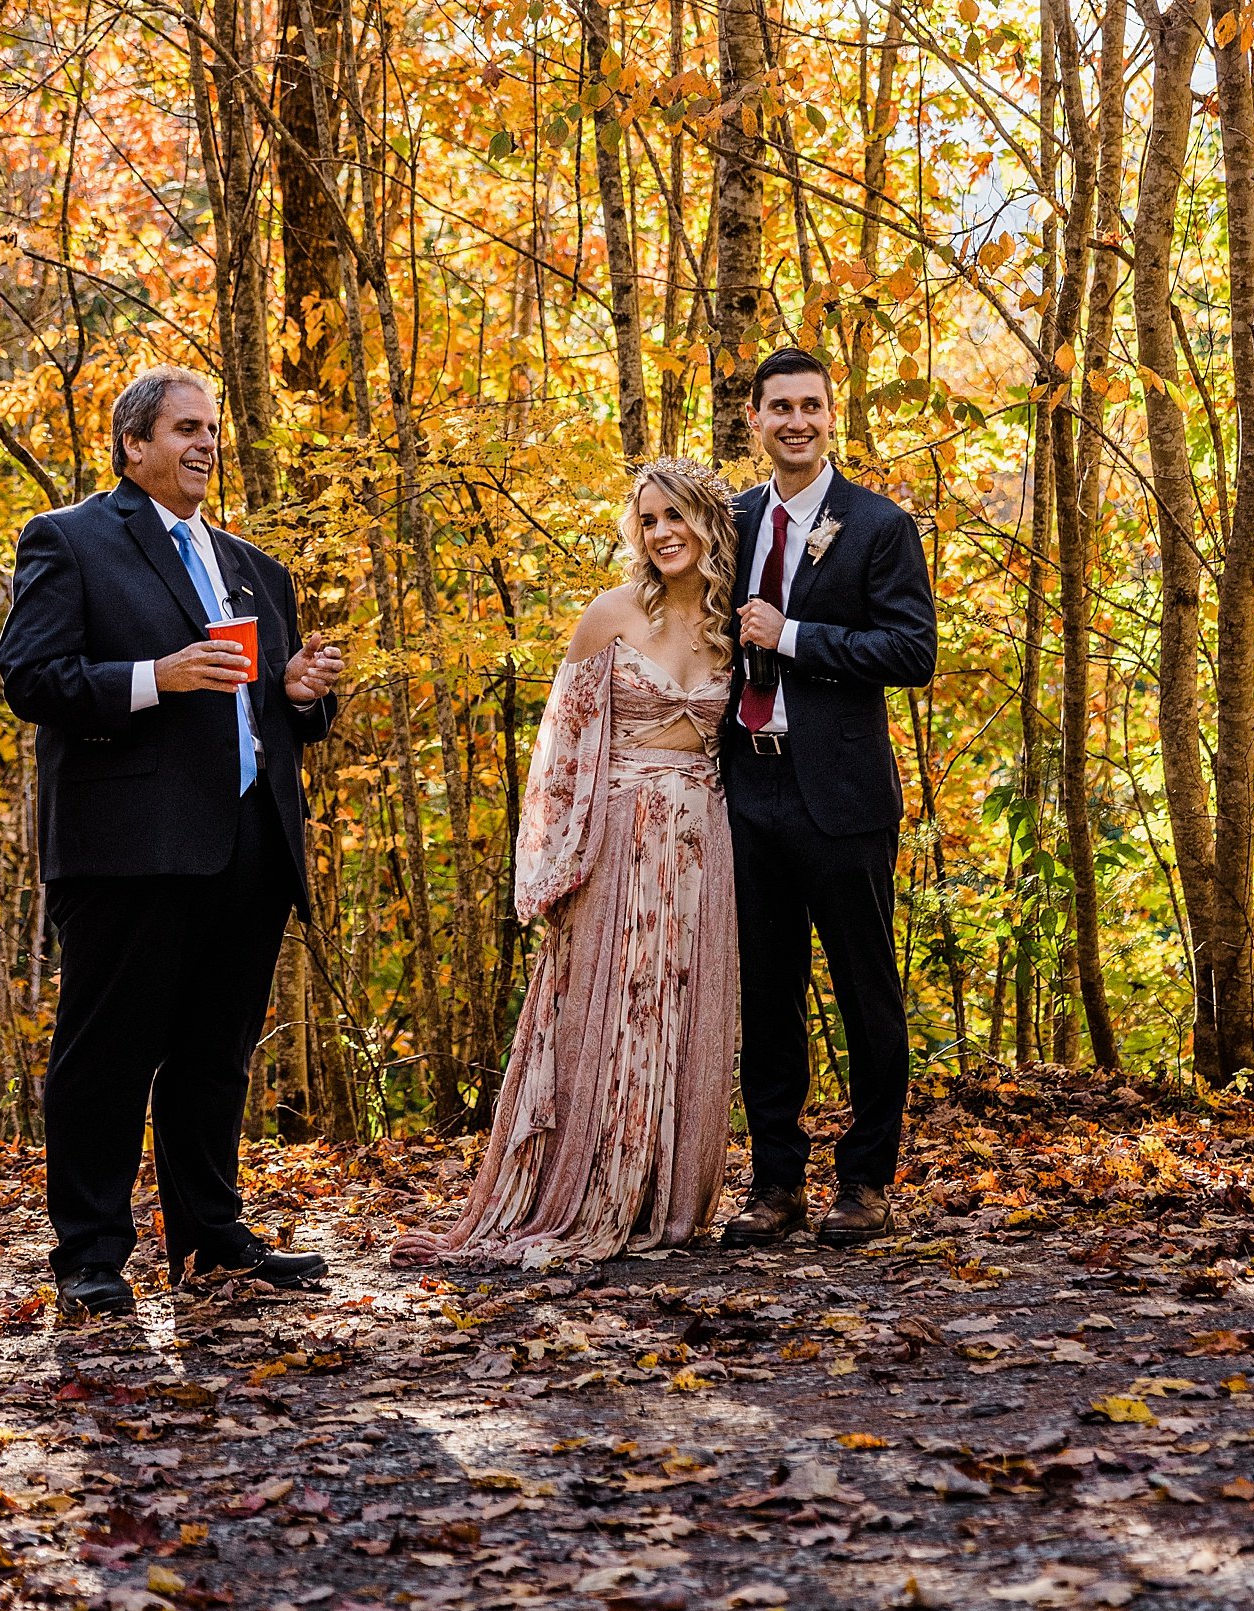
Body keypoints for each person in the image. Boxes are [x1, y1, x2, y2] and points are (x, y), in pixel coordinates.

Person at [0, 368, 343, 1318]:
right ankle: (91, 1254)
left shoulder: (253, 568)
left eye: (214, 431)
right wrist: (159, 675)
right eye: (186, 429)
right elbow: (31, 678)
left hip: (249, 841)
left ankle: (211, 1238)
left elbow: (268, 707)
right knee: (107, 1053)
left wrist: (303, 693)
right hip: (128, 845)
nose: (205, 445)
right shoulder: (68, 541)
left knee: (215, 1054)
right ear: (133, 445)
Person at [395, 461, 739, 1264]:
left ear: (709, 526)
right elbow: (563, 750)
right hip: (617, 835)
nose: (663, 533)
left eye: (678, 516)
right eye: (649, 519)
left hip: (702, 841)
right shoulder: (608, 616)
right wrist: (555, 866)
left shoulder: (738, 627)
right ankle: (588, 1188)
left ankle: (662, 1196)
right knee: (610, 1010)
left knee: (686, 1011)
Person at [719, 349, 937, 1249]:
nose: (796, 421)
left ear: (830, 415)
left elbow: (911, 653)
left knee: (865, 991)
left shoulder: (878, 526)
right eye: (780, 408)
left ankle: (867, 1182)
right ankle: (775, 1184)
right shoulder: (727, 523)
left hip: (842, 795)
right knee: (765, 997)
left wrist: (797, 634)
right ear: (755, 419)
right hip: (744, 785)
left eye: (810, 405)